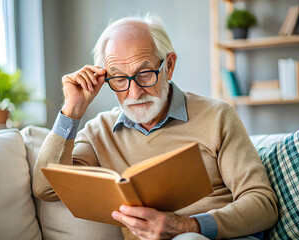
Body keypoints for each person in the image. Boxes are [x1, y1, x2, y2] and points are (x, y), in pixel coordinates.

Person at [33, 15, 278, 240]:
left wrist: (187, 225)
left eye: (145, 73)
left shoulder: (217, 116)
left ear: (168, 66)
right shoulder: (100, 131)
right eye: (119, 78)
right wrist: (72, 111)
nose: (134, 92)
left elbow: (263, 204)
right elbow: (46, 189)